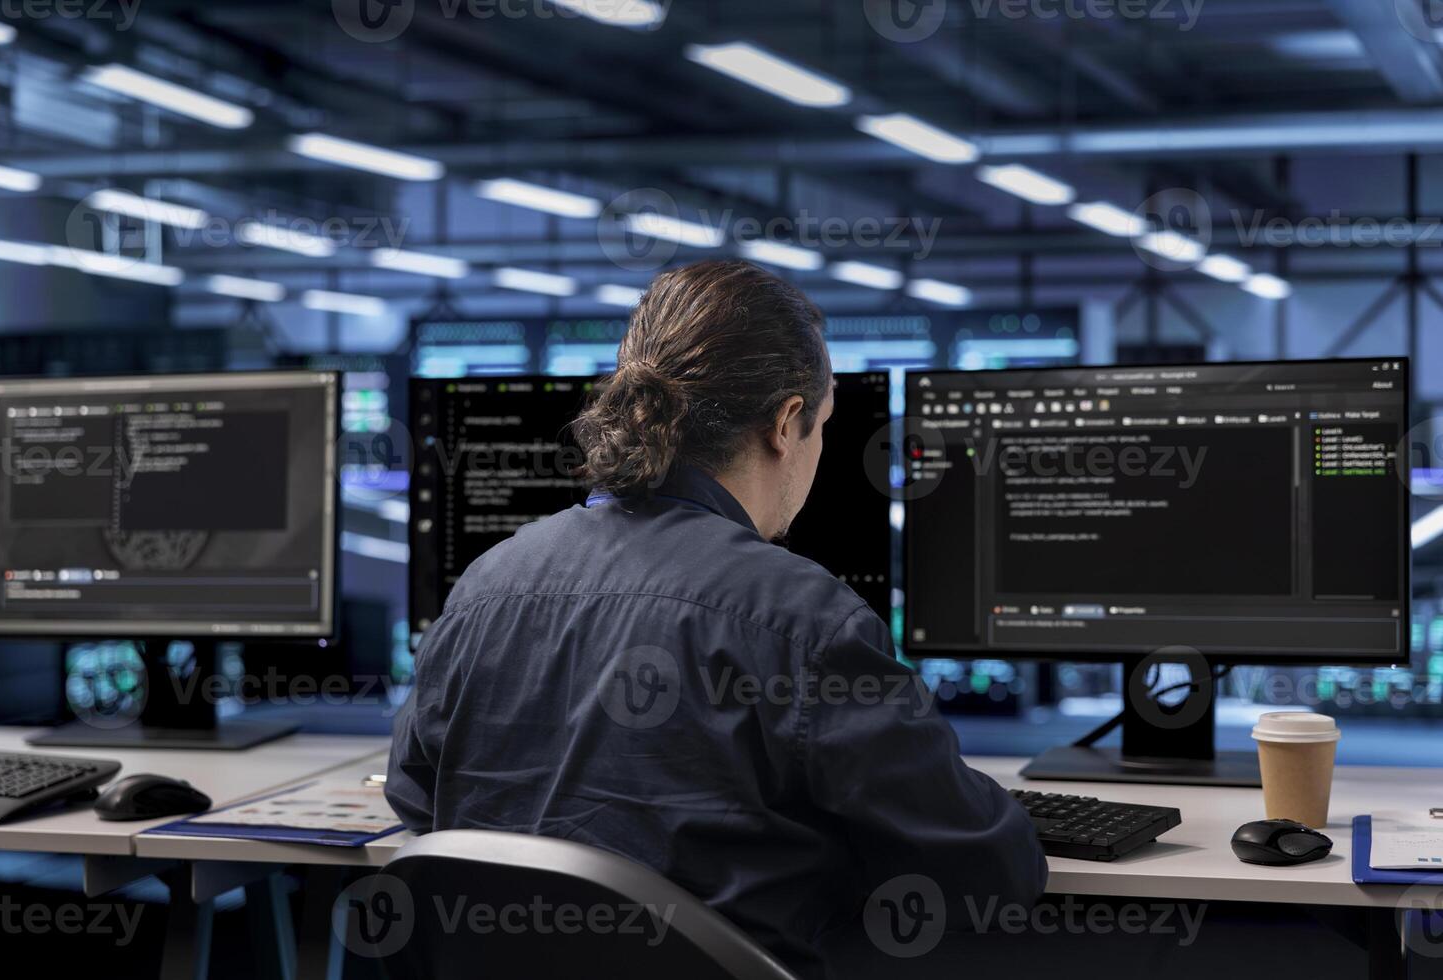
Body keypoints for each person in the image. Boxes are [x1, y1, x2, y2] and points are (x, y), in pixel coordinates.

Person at [387, 259, 1046, 978]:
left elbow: (418, 801)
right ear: (786, 423)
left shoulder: (488, 585)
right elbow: (986, 867)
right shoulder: (804, 620)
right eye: (825, 425)